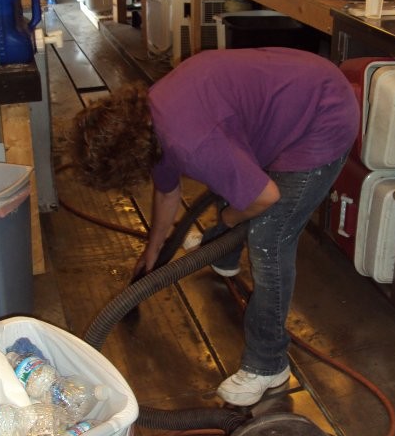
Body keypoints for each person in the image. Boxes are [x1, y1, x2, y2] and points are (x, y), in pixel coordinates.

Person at [75, 47, 359, 406]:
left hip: (323, 115)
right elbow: (167, 191)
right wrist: (154, 248)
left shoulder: (191, 142)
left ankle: (268, 363)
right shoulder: (150, 118)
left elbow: (265, 197)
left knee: (269, 238)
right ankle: (224, 253)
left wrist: (226, 221)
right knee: (231, 177)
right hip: (291, 92)